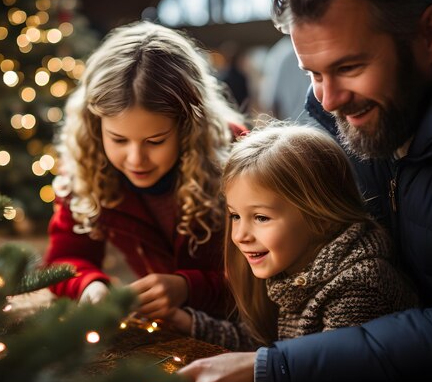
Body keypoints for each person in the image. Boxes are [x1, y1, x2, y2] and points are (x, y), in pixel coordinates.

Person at [178, 0, 432, 382]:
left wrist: (274, 370)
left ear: (431, 34)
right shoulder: (342, 111)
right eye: (312, 73)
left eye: (349, 67)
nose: (327, 100)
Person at [44, 21, 246, 320]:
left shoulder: (240, 157)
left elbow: (267, 274)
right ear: (94, 127)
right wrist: (89, 286)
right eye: (119, 139)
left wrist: (189, 287)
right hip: (170, 331)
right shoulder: (84, 164)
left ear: (190, 126)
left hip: (242, 330)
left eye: (155, 141)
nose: (136, 159)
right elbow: (64, 260)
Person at [165, 123, 417, 354]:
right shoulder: (293, 265)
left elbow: (326, 374)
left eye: (261, 218)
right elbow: (269, 345)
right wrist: (190, 324)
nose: (240, 236)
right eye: (235, 216)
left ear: (321, 217)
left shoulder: (359, 289)